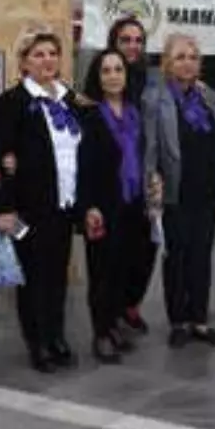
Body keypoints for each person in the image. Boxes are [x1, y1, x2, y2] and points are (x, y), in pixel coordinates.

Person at [0, 26, 82, 373]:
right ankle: (38, 342)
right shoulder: (11, 103)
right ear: (24, 62)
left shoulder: (68, 99)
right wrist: (4, 206)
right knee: (33, 277)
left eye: (52, 54)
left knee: (58, 274)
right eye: (38, 54)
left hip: (64, 202)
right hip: (30, 204)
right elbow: (2, 157)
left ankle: (57, 335)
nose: (47, 60)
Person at [144, 33, 215, 348]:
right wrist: (152, 193)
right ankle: (179, 321)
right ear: (167, 62)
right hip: (175, 192)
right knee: (176, 257)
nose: (187, 63)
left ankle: (200, 320)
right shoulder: (156, 98)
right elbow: (151, 149)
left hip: (207, 191)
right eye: (180, 57)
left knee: (201, 256)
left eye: (193, 57)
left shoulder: (208, 95)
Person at [77, 49, 148, 364]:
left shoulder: (135, 112)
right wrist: (88, 206)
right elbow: (82, 165)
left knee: (123, 268)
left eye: (118, 69)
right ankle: (101, 333)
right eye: (106, 70)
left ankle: (115, 323)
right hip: (103, 204)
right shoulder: (89, 114)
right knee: (101, 272)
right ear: (97, 76)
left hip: (132, 202)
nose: (113, 76)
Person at [107, 16, 156, 334]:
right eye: (126, 39)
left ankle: (131, 306)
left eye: (138, 40)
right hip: (112, 184)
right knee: (114, 254)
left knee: (145, 250)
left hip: (144, 180)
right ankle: (109, 313)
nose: (133, 46)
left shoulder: (151, 81)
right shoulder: (99, 80)